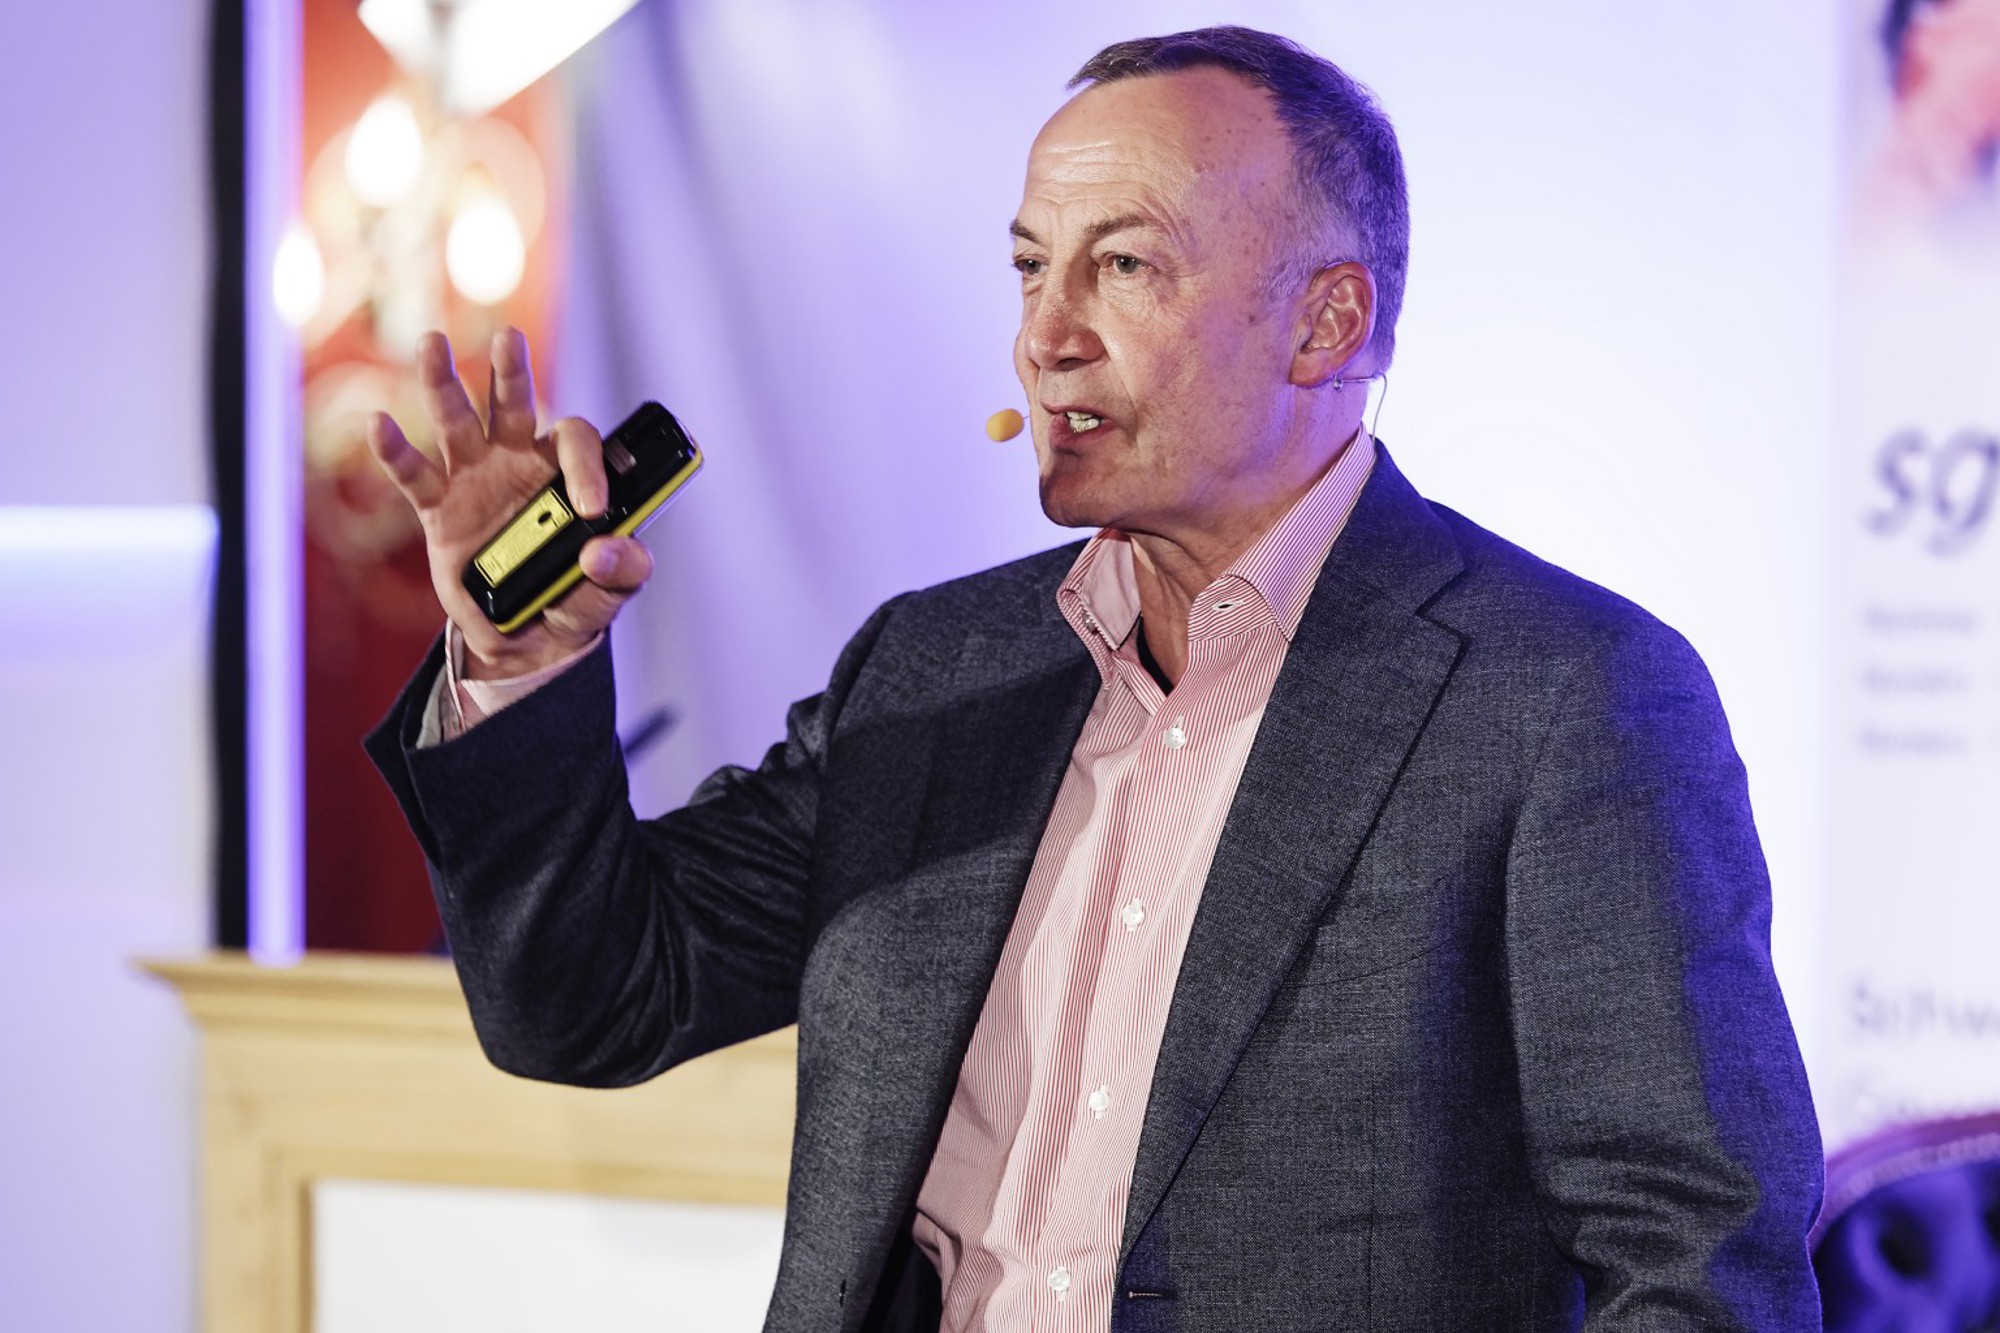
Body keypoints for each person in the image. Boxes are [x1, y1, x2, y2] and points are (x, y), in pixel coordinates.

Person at [365, 25, 1823, 1332]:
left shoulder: (1566, 697)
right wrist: (518, 658)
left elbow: (1699, 1266)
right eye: (1029, 266)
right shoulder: (935, 669)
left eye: (1123, 266)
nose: (1045, 335)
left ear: (1327, 322)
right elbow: (590, 1002)